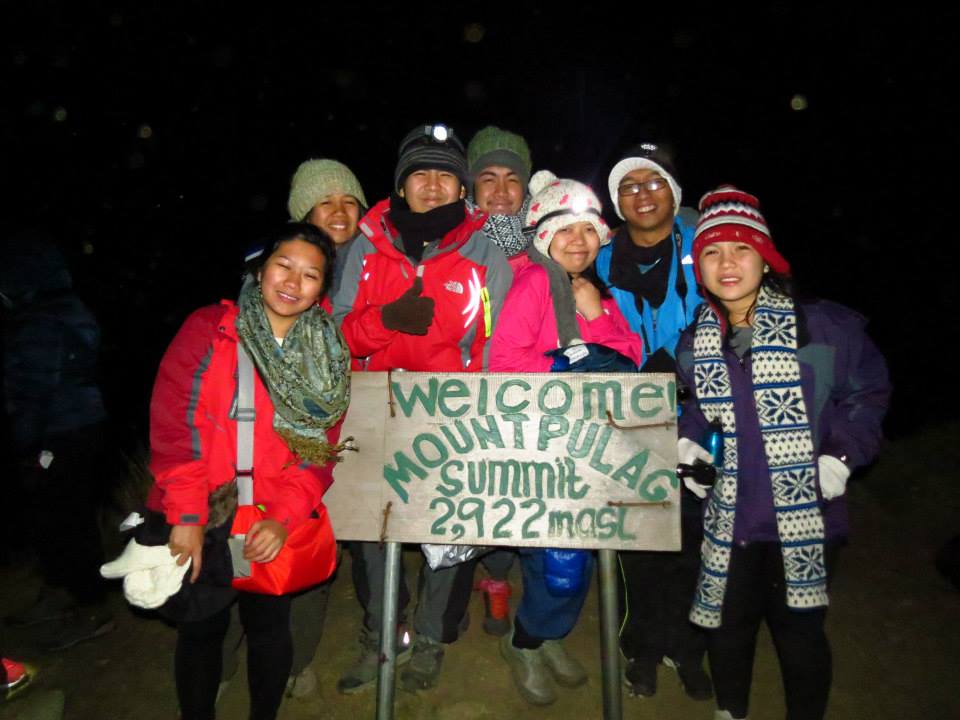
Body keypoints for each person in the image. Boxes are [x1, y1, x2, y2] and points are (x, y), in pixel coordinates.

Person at [677, 186, 890, 720]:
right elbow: (700, 411)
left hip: (807, 519)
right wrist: (690, 443)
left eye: (740, 249)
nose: (726, 263)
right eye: (711, 252)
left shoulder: (823, 327)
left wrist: (840, 457)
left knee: (799, 635)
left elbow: (868, 394)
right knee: (729, 628)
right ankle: (731, 712)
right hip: (730, 520)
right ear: (698, 264)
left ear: (764, 256)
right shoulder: (695, 342)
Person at [333, 122, 513, 692]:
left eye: (444, 175)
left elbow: (498, 343)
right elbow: (336, 332)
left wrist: (479, 410)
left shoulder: (486, 250)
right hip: (372, 409)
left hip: (452, 413)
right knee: (370, 536)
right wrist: (381, 323)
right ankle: (383, 634)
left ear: (462, 188)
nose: (432, 185)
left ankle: (434, 635)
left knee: (452, 531)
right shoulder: (366, 244)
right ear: (401, 185)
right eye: (419, 174)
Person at [147, 223, 350, 720]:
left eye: (310, 275)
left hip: (267, 518)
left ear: (322, 289)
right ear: (260, 270)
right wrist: (187, 517)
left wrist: (283, 517)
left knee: (269, 628)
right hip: (205, 513)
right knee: (201, 630)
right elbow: (176, 426)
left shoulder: (325, 355)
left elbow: (319, 451)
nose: (292, 282)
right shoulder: (209, 329)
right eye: (283, 266)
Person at [489, 171, 643, 706]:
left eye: (588, 231)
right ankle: (526, 641)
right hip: (542, 447)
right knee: (554, 563)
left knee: (576, 560)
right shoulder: (534, 284)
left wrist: (595, 317)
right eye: (565, 230)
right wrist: (568, 367)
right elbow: (503, 363)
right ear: (544, 237)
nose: (578, 241)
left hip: (593, 449)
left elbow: (630, 363)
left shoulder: (599, 293)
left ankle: (543, 636)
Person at [597, 142, 712, 699]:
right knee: (639, 538)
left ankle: (687, 647)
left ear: (674, 191)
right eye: (629, 186)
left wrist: (685, 365)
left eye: (653, 181)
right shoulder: (596, 258)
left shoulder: (707, 247)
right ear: (617, 201)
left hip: (703, 413)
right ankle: (641, 645)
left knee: (699, 538)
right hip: (630, 418)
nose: (642, 194)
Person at [0, 231, 115, 652]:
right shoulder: (62, 311)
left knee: (65, 516)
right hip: (78, 424)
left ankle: (90, 604)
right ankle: (59, 588)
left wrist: (27, 444)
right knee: (56, 514)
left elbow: (36, 386)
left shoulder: (41, 320)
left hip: (60, 431)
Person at [465, 124, 535, 635]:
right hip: (460, 387)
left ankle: (498, 580)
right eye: (488, 178)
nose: (501, 191)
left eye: (512, 178)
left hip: (524, 391)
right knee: (463, 493)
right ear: (471, 187)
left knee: (516, 491)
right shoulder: (453, 239)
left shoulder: (548, 240)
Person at [287, 158, 368, 304]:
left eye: (349, 202)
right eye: (326, 202)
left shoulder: (378, 260)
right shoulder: (276, 264)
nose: (339, 211)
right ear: (307, 215)